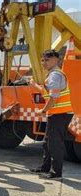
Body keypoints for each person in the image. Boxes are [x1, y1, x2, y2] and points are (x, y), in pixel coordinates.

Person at [29, 49, 73, 179]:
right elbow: (46, 92)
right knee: (47, 142)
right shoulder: (52, 75)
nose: (44, 63)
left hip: (59, 115)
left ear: (56, 60)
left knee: (55, 144)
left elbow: (53, 98)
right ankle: (45, 167)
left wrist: (43, 111)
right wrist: (34, 85)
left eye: (47, 60)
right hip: (56, 115)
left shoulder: (55, 75)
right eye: (43, 60)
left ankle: (56, 173)